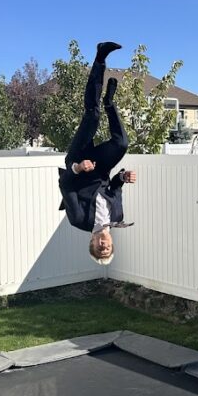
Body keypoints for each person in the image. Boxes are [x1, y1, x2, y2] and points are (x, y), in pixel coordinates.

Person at [58, 41, 136, 264]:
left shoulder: (79, 220)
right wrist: (123, 177)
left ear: (91, 244)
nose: (103, 245)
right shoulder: (117, 216)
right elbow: (113, 187)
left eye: (99, 249)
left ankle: (100, 58)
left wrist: (77, 167)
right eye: (107, 249)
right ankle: (110, 103)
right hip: (100, 168)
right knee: (121, 144)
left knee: (92, 116)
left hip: (79, 163)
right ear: (112, 244)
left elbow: (65, 186)